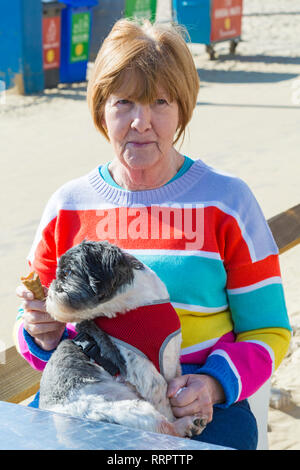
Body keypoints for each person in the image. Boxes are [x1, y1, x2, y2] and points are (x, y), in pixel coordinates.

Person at [14, 19, 291, 450]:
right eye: (124, 102)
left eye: (160, 102)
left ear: (182, 108)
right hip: (90, 407)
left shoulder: (227, 202)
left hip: (199, 408)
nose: (141, 121)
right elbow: (33, 333)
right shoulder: (68, 204)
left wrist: (213, 385)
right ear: (101, 108)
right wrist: (41, 333)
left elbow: (270, 330)